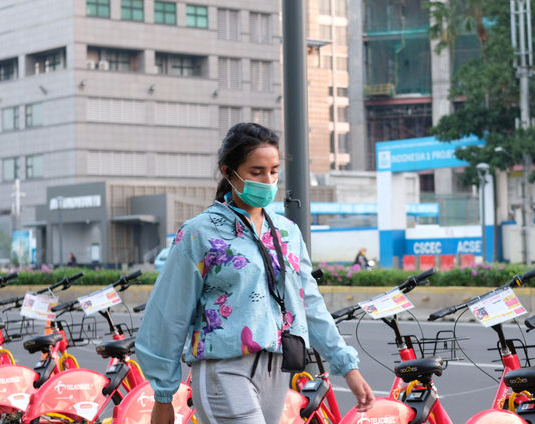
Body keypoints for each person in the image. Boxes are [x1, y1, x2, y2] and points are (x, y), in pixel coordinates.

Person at [137, 123, 373, 424]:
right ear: (228, 172)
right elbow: (168, 314)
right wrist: (163, 395)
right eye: (256, 172)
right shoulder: (199, 233)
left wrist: (347, 367)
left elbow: (310, 304)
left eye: (274, 171)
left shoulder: (287, 232)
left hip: (276, 372)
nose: (268, 180)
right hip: (223, 371)